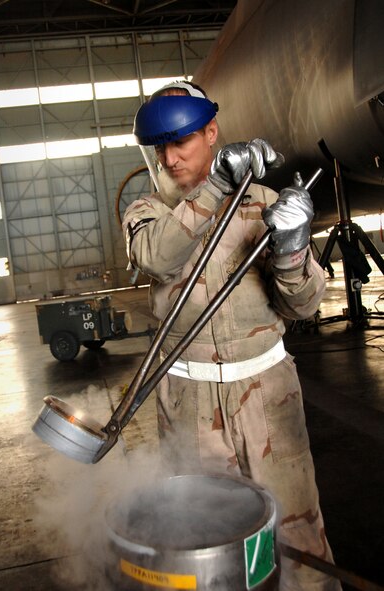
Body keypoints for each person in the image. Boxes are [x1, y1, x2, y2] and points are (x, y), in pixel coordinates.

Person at [122, 80, 341, 591]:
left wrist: (290, 248)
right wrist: (218, 184)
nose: (170, 159)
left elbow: (304, 304)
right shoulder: (147, 213)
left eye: (182, 142)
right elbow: (157, 255)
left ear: (212, 133)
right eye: (161, 148)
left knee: (298, 534)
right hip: (189, 403)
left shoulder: (262, 204)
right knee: (207, 543)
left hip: (268, 396)